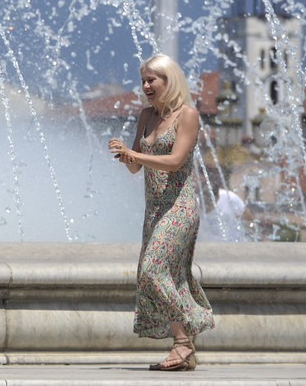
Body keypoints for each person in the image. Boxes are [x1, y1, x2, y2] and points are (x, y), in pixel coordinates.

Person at [108, 53, 214, 372]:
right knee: (159, 275)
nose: (145, 86)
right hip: (154, 210)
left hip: (180, 206)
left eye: (152, 80)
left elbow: (175, 161)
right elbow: (136, 167)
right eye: (143, 80)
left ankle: (183, 342)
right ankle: (183, 348)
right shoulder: (145, 116)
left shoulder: (188, 115)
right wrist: (125, 156)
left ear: (169, 81)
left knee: (152, 269)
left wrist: (134, 153)